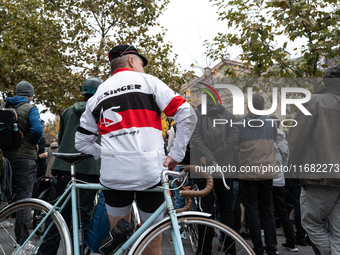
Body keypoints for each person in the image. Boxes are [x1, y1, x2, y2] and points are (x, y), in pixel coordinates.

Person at [75, 44, 196, 255]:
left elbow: (82, 142)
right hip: (149, 172)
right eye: (141, 63)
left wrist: (106, 154)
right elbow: (186, 113)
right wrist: (176, 154)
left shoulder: (97, 96)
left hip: (114, 177)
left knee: (119, 240)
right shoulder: (148, 82)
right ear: (132, 60)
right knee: (151, 243)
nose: (143, 68)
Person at [37, 78, 103, 255]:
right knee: (82, 217)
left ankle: (45, 252)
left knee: (57, 215)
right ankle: (77, 251)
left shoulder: (67, 111)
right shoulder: (100, 112)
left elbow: (60, 137)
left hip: (62, 167)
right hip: (88, 168)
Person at [288, 63, 340, 255]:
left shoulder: (314, 102)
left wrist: (293, 168)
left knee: (311, 223)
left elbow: (296, 138)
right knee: (338, 232)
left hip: (320, 175)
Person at [190, 94, 238, 255]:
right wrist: (217, 156)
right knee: (227, 210)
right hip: (225, 168)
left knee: (204, 210)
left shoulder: (197, 116)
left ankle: (204, 249)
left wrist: (209, 158)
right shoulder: (229, 116)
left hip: (202, 168)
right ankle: (230, 248)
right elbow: (232, 140)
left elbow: (195, 139)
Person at [2, 81, 43, 246]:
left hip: (4, 159)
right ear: (30, 95)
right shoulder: (30, 109)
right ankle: (22, 243)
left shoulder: (4, 108)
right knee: (24, 200)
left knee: (3, 196)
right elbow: (37, 130)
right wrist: (34, 141)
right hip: (25, 159)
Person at [237, 93, 278, 255]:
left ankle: (258, 248)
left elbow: (235, 146)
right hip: (267, 172)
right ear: (263, 107)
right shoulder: (272, 123)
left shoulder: (240, 125)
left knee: (252, 211)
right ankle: (272, 247)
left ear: (249, 107)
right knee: (268, 210)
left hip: (247, 172)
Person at [269, 115, 298, 252]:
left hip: (267, 178)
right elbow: (286, 158)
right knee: (282, 211)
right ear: (279, 125)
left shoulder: (267, 138)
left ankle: (271, 245)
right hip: (279, 178)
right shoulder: (282, 140)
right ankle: (291, 242)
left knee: (268, 211)